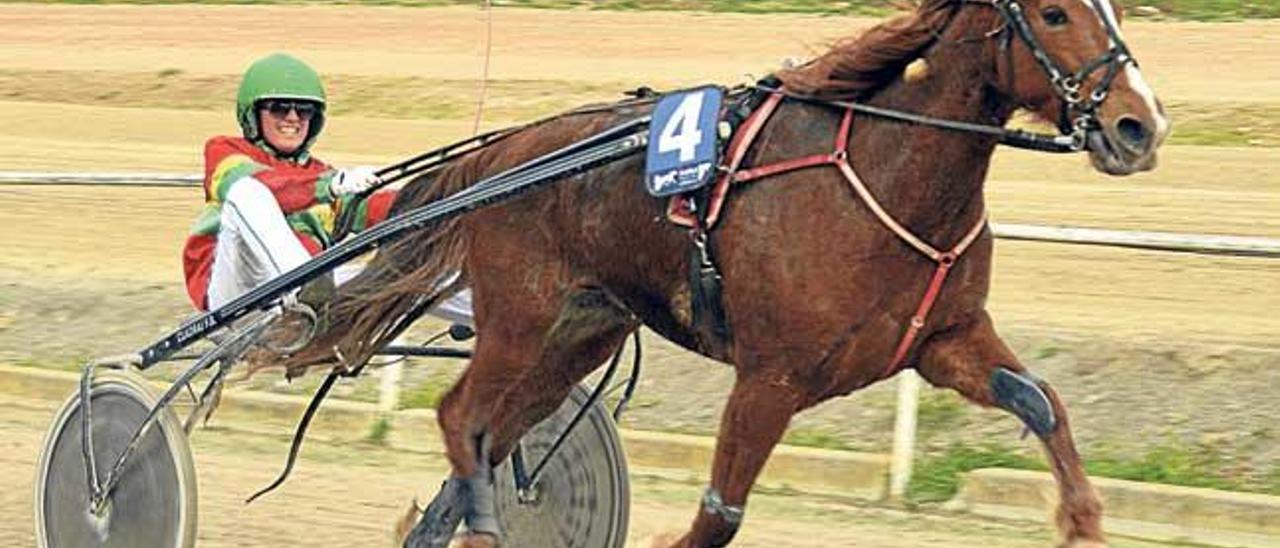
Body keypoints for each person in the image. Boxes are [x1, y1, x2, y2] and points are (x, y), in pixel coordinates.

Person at [181, 53, 474, 329]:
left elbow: (388, 209)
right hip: (235, 295)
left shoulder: (323, 176)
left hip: (306, 298)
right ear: (252, 114)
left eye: (304, 110)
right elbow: (270, 187)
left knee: (406, 272)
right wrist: (330, 187)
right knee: (247, 192)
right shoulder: (224, 151)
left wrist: (452, 195)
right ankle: (301, 285)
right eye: (280, 108)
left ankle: (502, 315)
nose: (293, 118)